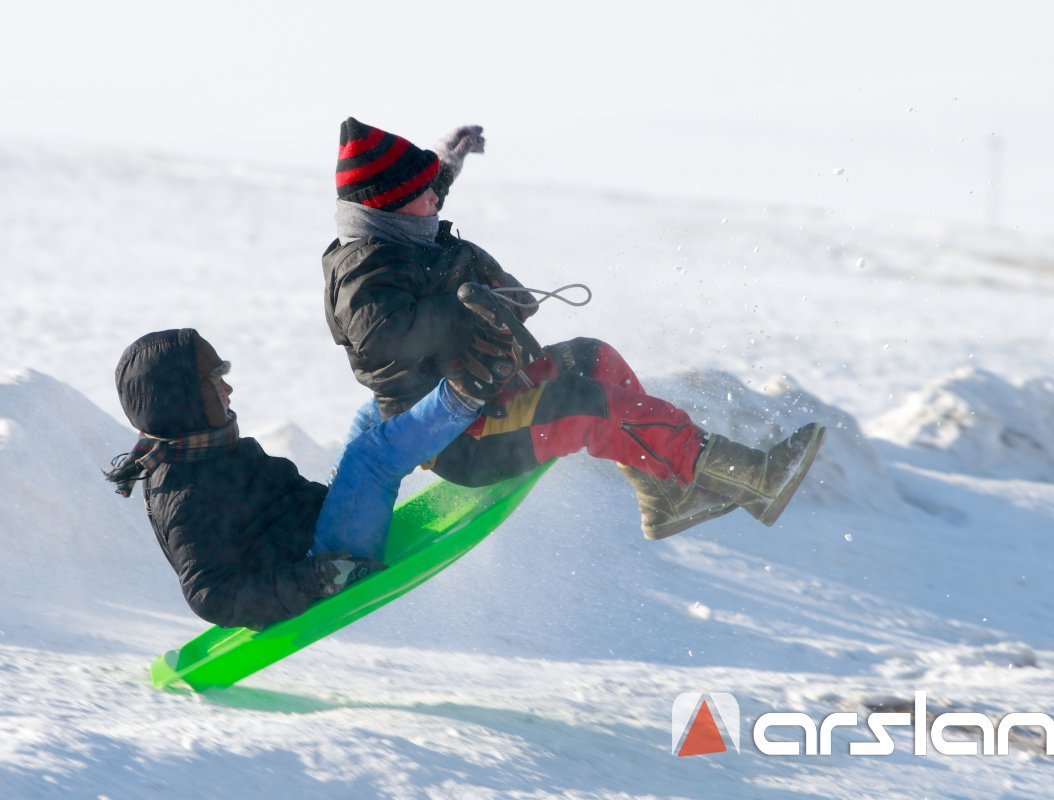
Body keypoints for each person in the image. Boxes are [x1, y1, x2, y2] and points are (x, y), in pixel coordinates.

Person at [322, 117, 826, 541]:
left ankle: (666, 494)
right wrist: (467, 312)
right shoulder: (362, 271)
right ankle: (750, 477)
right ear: (384, 208)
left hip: (494, 389)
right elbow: (381, 331)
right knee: (587, 406)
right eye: (422, 192)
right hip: (460, 435)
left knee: (594, 358)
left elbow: (418, 197)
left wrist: (445, 162)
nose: (434, 199)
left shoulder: (400, 229)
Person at [105, 328, 484, 630]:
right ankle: (470, 395)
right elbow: (210, 595)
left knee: (373, 416)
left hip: (317, 535)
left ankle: (472, 391)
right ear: (183, 400)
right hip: (321, 565)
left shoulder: (202, 449)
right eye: (215, 381)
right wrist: (314, 580)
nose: (228, 388)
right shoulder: (184, 493)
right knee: (369, 458)